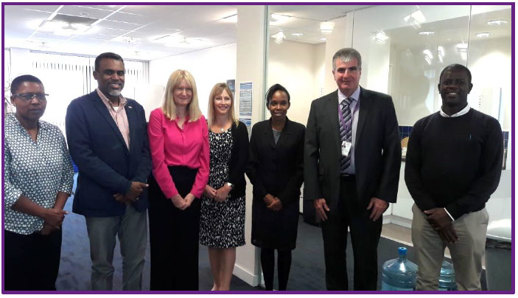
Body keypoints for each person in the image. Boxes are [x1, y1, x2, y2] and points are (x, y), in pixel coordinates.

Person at [304, 48, 401, 290]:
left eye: (352, 69)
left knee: (366, 257)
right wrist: (315, 195)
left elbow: (392, 151)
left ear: (360, 71)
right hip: (330, 195)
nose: (346, 75)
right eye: (341, 70)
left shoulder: (381, 103)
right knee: (333, 256)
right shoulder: (319, 106)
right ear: (333, 73)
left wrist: (384, 196)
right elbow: (310, 153)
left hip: (368, 196)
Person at [405, 64, 503, 291]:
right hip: (426, 217)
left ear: (469, 87)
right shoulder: (422, 126)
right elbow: (412, 174)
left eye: (459, 82)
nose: (453, 86)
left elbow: (489, 180)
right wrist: (434, 212)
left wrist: (449, 213)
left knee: (468, 284)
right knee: (425, 282)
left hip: (467, 219)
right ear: (439, 87)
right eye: (448, 82)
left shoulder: (488, 126)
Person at [65, 52, 151, 290]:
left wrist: (136, 184)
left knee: (136, 261)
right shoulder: (79, 107)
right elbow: (83, 155)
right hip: (101, 200)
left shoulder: (135, 108)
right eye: (109, 72)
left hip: (135, 200)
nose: (116, 77)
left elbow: (146, 151)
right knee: (102, 266)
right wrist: (124, 186)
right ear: (96, 75)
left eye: (120, 72)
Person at [4, 75, 74, 291]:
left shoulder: (54, 132)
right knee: (15, 284)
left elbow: (67, 173)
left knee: (46, 281)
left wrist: (54, 215)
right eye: (27, 96)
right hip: (14, 229)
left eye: (40, 96)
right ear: (13, 99)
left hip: (52, 227)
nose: (35, 101)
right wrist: (45, 214)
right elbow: (4, 188)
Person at [147, 69, 209, 290]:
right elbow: (158, 161)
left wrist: (193, 195)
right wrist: (174, 196)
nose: (184, 93)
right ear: (171, 91)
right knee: (163, 248)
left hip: (192, 189)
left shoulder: (201, 120)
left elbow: (205, 163)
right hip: (164, 188)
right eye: (179, 88)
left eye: (188, 88)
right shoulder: (157, 116)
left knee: (188, 249)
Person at [247, 84, 305, 291]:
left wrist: (282, 198)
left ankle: (282, 290)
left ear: (288, 105)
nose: (278, 107)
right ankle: (268, 287)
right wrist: (266, 196)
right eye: (274, 103)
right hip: (263, 201)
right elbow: (251, 166)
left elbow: (301, 169)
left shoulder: (299, 131)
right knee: (265, 247)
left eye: (283, 103)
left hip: (287, 203)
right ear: (268, 105)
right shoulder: (259, 129)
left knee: (285, 249)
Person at [199, 83, 248, 291]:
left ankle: (225, 287)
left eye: (227, 98)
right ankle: (216, 283)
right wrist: (205, 186)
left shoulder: (239, 127)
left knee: (228, 241)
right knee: (213, 240)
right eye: (219, 98)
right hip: (207, 191)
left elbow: (242, 160)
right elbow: (197, 158)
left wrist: (227, 187)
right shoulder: (203, 126)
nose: (223, 102)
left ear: (232, 101)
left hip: (232, 193)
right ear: (212, 101)